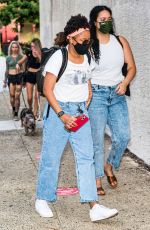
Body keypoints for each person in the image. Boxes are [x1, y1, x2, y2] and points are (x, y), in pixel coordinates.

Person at [35, 14, 118, 222]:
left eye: (89, 40)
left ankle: (94, 206)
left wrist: (87, 95)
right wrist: (62, 115)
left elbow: (87, 78)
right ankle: (42, 199)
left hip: (80, 112)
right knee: (51, 158)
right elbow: (47, 89)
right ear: (71, 39)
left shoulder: (88, 56)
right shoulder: (58, 57)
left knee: (86, 159)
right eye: (83, 41)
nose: (87, 43)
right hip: (59, 112)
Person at [88, 5, 136, 195]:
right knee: (97, 141)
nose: (107, 22)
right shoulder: (89, 44)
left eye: (109, 18)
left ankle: (110, 165)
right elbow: (84, 72)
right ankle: (97, 179)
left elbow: (131, 67)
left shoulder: (120, 41)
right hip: (97, 96)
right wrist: (89, 90)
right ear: (94, 22)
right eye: (103, 19)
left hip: (117, 94)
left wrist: (124, 83)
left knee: (123, 136)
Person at [18, 38, 42, 119]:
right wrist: (18, 66)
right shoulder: (28, 53)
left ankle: (34, 114)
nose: (32, 48)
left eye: (34, 46)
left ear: (38, 46)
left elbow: (43, 63)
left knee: (36, 96)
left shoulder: (42, 53)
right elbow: (20, 62)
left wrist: (38, 54)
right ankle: (30, 108)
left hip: (38, 76)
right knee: (29, 97)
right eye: (31, 46)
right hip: (30, 76)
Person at [3, 41, 24, 120]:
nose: (14, 48)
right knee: (12, 96)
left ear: (18, 48)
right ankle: (13, 108)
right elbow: (7, 70)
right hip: (11, 77)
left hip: (19, 77)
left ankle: (16, 113)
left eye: (16, 47)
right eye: (13, 47)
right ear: (11, 48)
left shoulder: (21, 57)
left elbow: (23, 69)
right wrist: (5, 81)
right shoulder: (8, 58)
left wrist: (24, 80)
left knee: (17, 96)